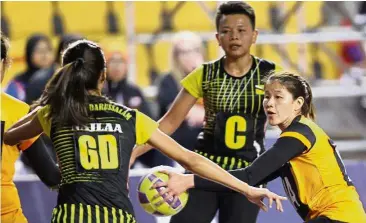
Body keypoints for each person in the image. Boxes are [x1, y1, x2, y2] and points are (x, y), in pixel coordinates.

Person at [3, 40, 286, 222]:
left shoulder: (52, 114)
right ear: (103, 76)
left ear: (65, 72)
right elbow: (192, 160)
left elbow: (9, 136)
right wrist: (246, 187)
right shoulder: (129, 118)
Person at [130, 2, 282, 222]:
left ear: (254, 35)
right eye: (227, 31)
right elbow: (168, 124)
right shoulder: (204, 74)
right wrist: (133, 152)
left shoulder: (271, 74)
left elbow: (292, 121)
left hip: (246, 174)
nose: (235, 37)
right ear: (217, 38)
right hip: (203, 170)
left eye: (241, 31)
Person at [155, 71, 366, 223]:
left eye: (278, 97)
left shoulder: (298, 135)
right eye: (266, 97)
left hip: (339, 217)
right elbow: (247, 179)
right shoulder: (298, 136)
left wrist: (189, 180)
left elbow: (248, 175)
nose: (269, 103)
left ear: (298, 103)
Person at [1, 33, 60, 223]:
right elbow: (51, 177)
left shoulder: (19, 110)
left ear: (4, 63)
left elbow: (51, 175)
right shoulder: (17, 111)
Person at [157, 31, 205, 156]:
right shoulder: (167, 81)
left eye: (194, 50)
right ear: (175, 56)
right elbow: (178, 113)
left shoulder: (211, 77)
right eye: (184, 52)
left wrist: (200, 73)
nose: (190, 56)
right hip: (177, 144)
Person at [5, 33, 54, 101]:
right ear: (29, 53)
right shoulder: (17, 84)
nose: (44, 55)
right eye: (39, 51)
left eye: (48, 50)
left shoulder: (59, 78)